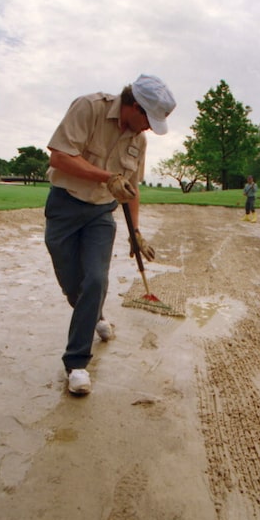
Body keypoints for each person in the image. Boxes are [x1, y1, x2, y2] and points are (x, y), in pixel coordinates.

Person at [44, 74, 176, 395]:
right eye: (148, 119)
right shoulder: (89, 108)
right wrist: (108, 177)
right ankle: (97, 316)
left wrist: (137, 232)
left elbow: (132, 188)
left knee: (96, 279)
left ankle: (76, 364)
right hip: (64, 207)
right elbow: (59, 156)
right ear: (134, 105)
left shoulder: (138, 141)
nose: (148, 128)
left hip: (101, 214)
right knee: (73, 285)